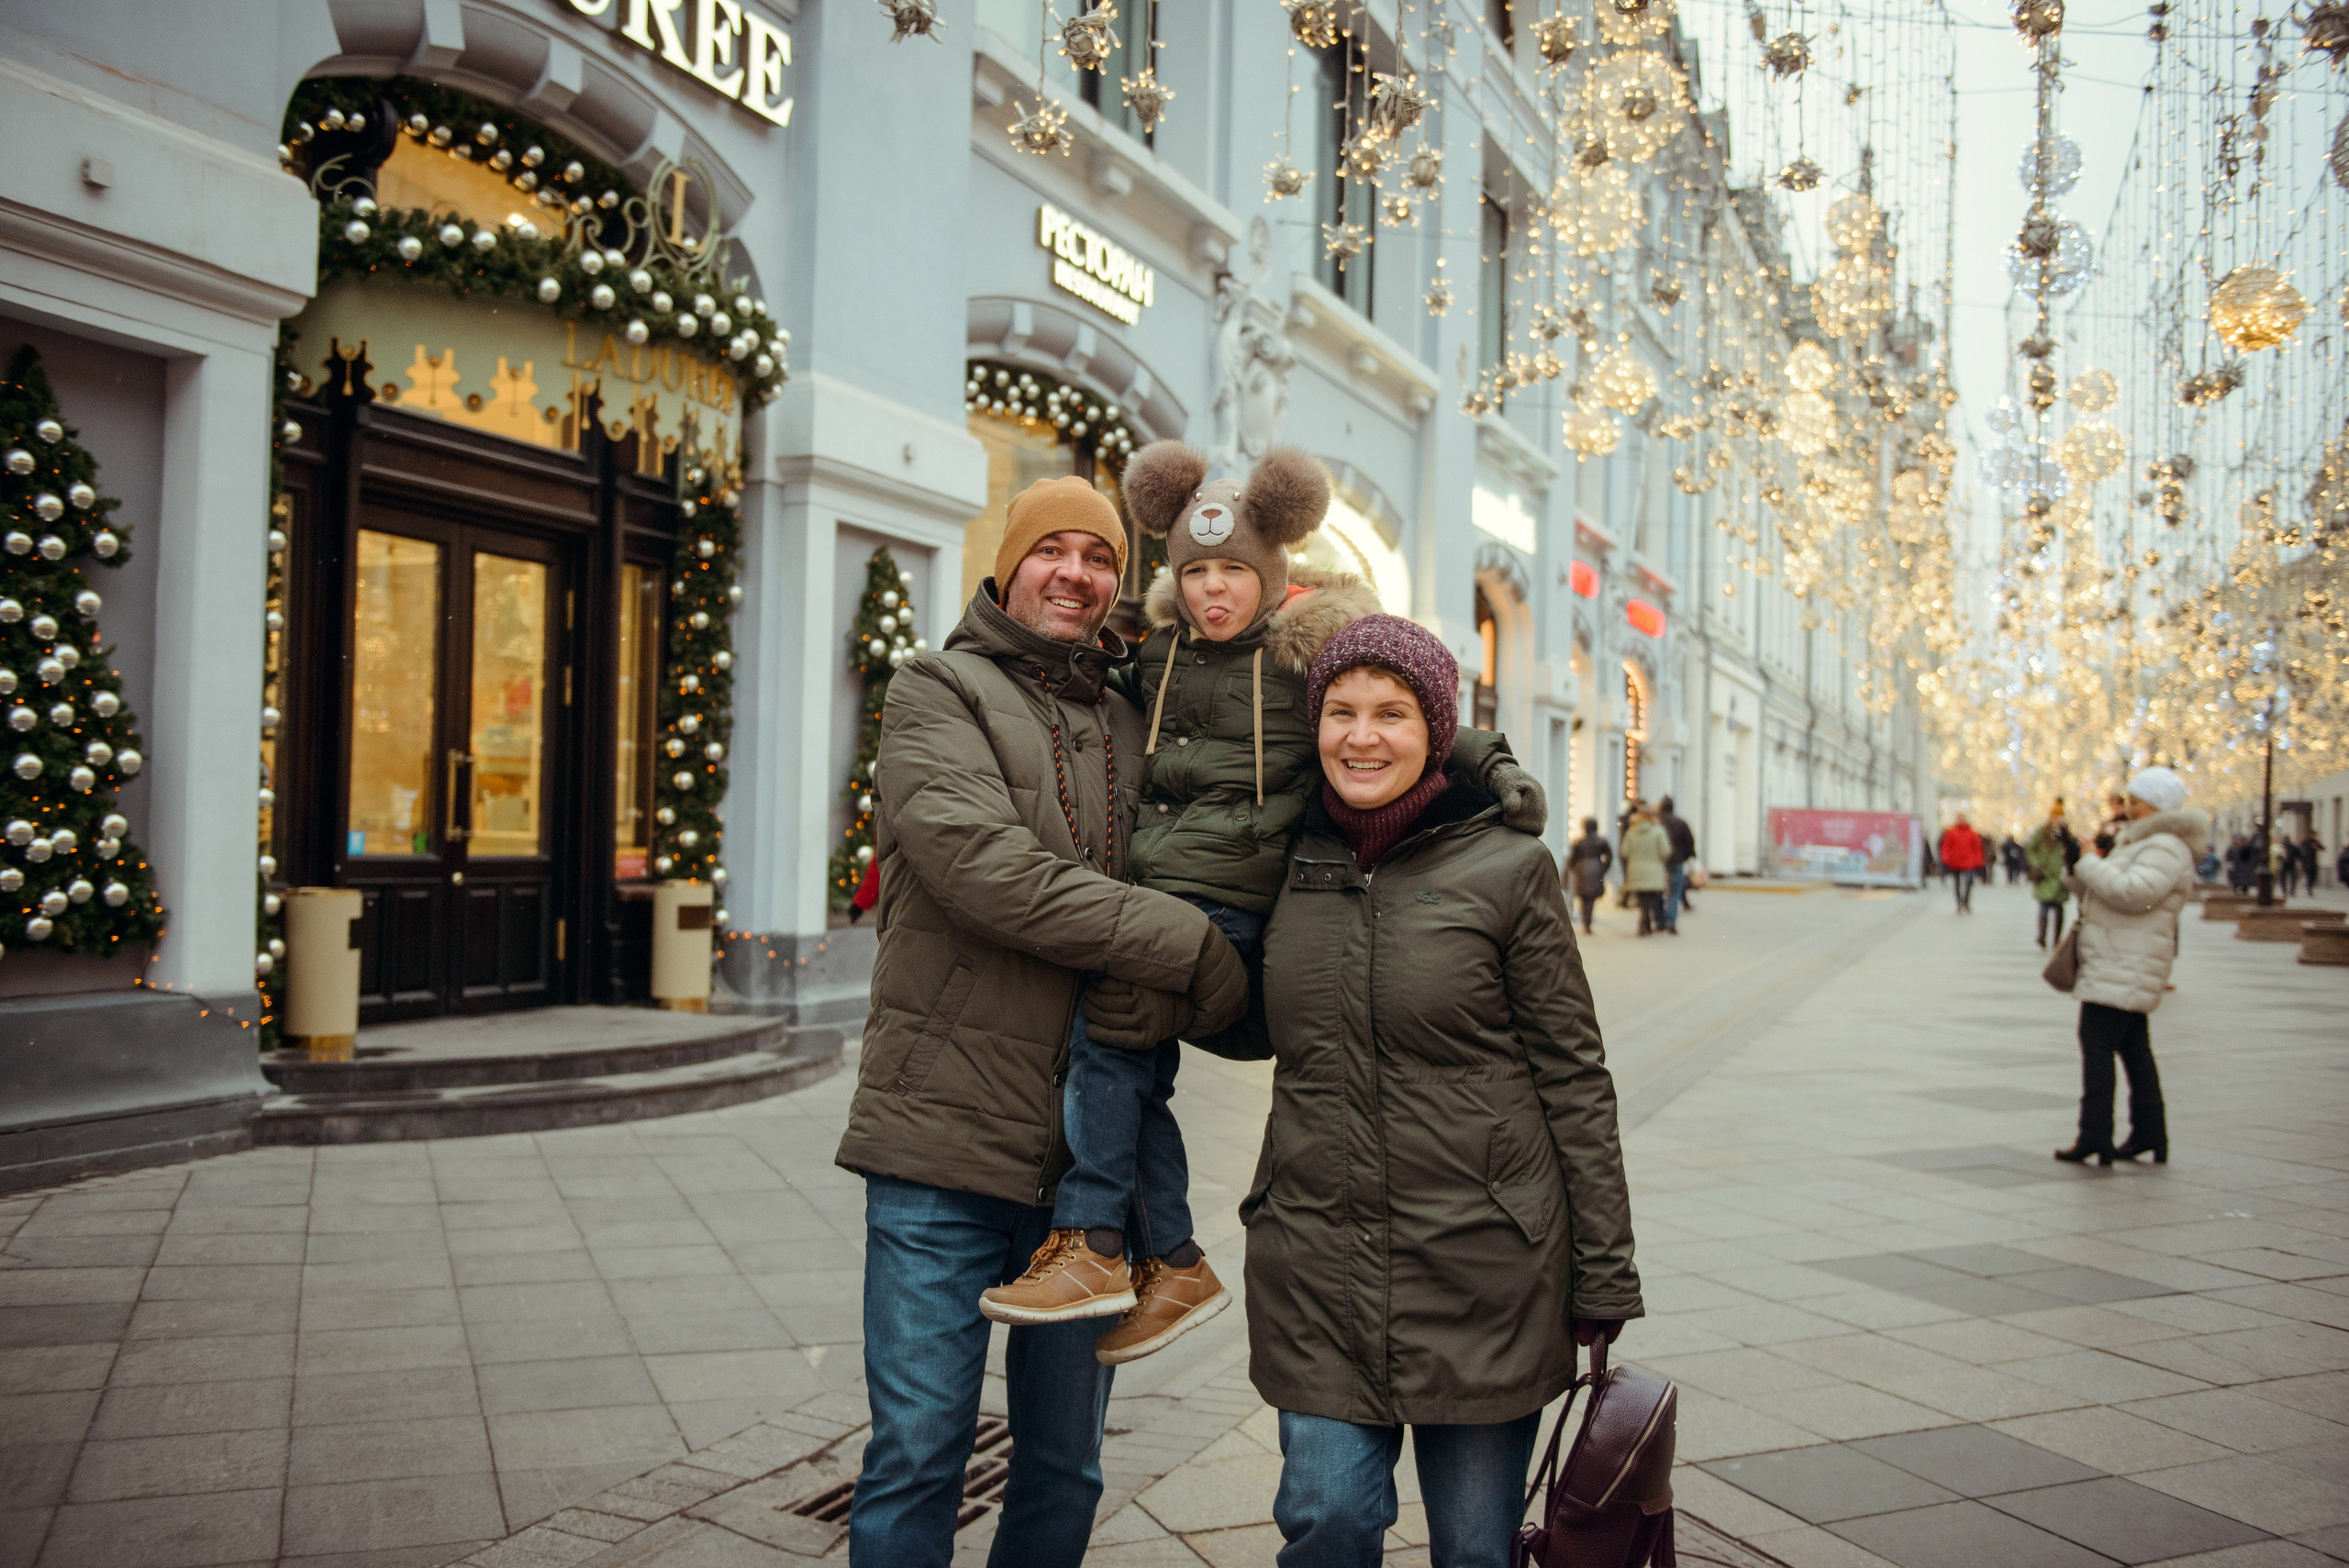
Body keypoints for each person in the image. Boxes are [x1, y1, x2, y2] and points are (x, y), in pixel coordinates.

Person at [978, 439, 1542, 1359]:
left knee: (1108, 1033)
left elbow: (1410, 700)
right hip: (1156, 892)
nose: (1211, 590)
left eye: (1231, 571)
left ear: (1269, 569)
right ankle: (1170, 1261)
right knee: (1130, 1068)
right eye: (1195, 571)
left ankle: (1094, 1241)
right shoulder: (1157, 655)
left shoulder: (1302, 651)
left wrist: (1493, 762)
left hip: (1235, 906)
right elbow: (1072, 687)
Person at [833, 476, 1253, 1567]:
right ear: (1008, 562)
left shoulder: (1132, 715)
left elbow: (1225, 847)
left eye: (1100, 556)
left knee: (1064, 1462)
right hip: (941, 1146)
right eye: (1051, 550)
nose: (1075, 573)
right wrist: (1189, 948)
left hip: (1086, 1184)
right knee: (920, 1450)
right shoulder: (938, 687)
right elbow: (988, 871)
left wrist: (1221, 968)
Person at [1199, 615, 1642, 1568]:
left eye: (1391, 713)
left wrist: (1603, 1267)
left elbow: (1573, 1075)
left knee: (1474, 1553)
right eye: (1341, 711)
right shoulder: (1286, 861)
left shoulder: (1508, 868)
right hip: (1318, 1254)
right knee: (1327, 1521)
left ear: (1435, 730)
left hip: (1483, 1266)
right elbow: (1245, 1018)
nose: (1362, 736)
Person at [2054, 767, 2206, 1165]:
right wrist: (2078, 862)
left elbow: (2132, 893)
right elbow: (2097, 887)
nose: (2129, 807)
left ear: (2157, 805)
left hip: (2126, 960)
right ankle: (2148, 1133)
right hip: (2118, 957)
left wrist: (2089, 862)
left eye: (2136, 801)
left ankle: (2094, 1137)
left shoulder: (2164, 847)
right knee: (2135, 1050)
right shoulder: (2144, 842)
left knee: (2098, 1046)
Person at [2025, 802, 2077, 949]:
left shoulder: (2066, 833)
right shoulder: (2042, 832)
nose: (2057, 819)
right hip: (2044, 874)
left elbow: (2072, 848)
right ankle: (2042, 936)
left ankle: (2056, 939)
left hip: (2060, 874)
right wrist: (2036, 864)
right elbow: (2031, 849)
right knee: (2044, 906)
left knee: (2059, 908)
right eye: (2055, 816)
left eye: (2060, 816)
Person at [1620, 805, 1672, 936]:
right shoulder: (1658, 832)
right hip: (1654, 870)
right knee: (1650, 899)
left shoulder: (1631, 832)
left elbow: (1624, 852)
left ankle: (1645, 923)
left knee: (1643, 899)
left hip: (1636, 870)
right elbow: (1665, 851)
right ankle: (1644, 922)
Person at [1565, 817, 1613, 934]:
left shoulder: (1579, 842)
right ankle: (1588, 920)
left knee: (1584, 896)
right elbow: (1609, 856)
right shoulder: (1601, 841)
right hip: (1595, 867)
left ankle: (1586, 920)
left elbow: (1572, 858)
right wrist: (1603, 868)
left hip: (1582, 869)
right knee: (1591, 897)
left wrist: (1575, 868)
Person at [1657, 795, 1698, 927]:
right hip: (1676, 861)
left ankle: (1659, 920)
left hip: (1659, 862)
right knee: (1674, 893)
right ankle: (1670, 922)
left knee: (1658, 892)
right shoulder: (1680, 823)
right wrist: (1686, 857)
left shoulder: (1657, 822)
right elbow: (1689, 842)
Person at [1939, 813, 1986, 913]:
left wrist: (1978, 861)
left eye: (1963, 818)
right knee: (1957, 883)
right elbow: (1946, 847)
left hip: (1969, 862)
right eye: (1959, 818)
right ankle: (1959, 903)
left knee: (1969, 881)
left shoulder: (1972, 833)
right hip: (1955, 862)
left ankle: (1966, 902)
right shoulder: (1951, 832)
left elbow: (1977, 848)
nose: (1961, 820)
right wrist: (1945, 859)